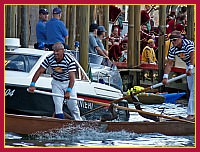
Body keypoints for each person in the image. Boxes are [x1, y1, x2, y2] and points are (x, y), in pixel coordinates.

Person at [28, 42, 82, 120]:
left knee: (73, 106)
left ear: (62, 51)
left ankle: (78, 121)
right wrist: (32, 84)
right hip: (57, 83)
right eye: (54, 51)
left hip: (68, 83)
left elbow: (72, 79)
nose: (55, 53)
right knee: (58, 105)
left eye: (57, 51)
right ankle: (59, 123)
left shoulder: (69, 60)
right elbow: (39, 71)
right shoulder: (49, 58)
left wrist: (68, 91)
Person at [162, 30, 195, 121]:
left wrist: (191, 67)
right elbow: (169, 63)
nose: (173, 42)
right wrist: (165, 77)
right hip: (190, 66)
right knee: (191, 88)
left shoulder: (188, 44)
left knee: (194, 91)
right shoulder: (173, 49)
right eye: (172, 41)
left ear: (180, 39)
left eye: (175, 40)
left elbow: (193, 56)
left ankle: (191, 114)